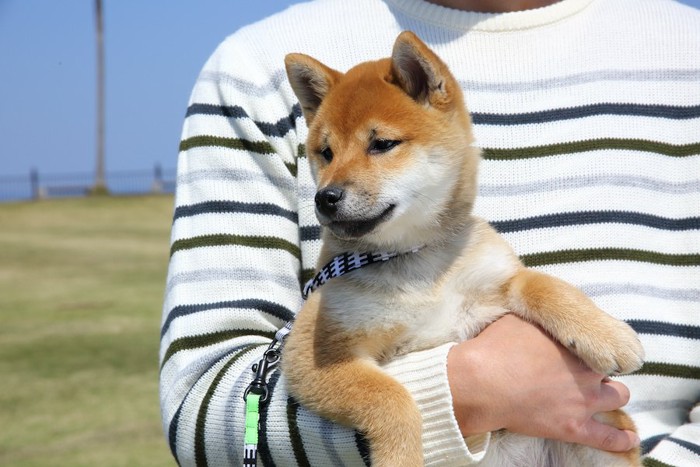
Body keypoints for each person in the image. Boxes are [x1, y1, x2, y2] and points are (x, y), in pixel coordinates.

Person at [159, 0, 700, 465]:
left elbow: (517, 286)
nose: (333, 182)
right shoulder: (250, 73)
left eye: (381, 146)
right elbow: (213, 416)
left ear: (428, 86)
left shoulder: (686, 52)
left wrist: (564, 309)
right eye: (324, 155)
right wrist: (455, 396)